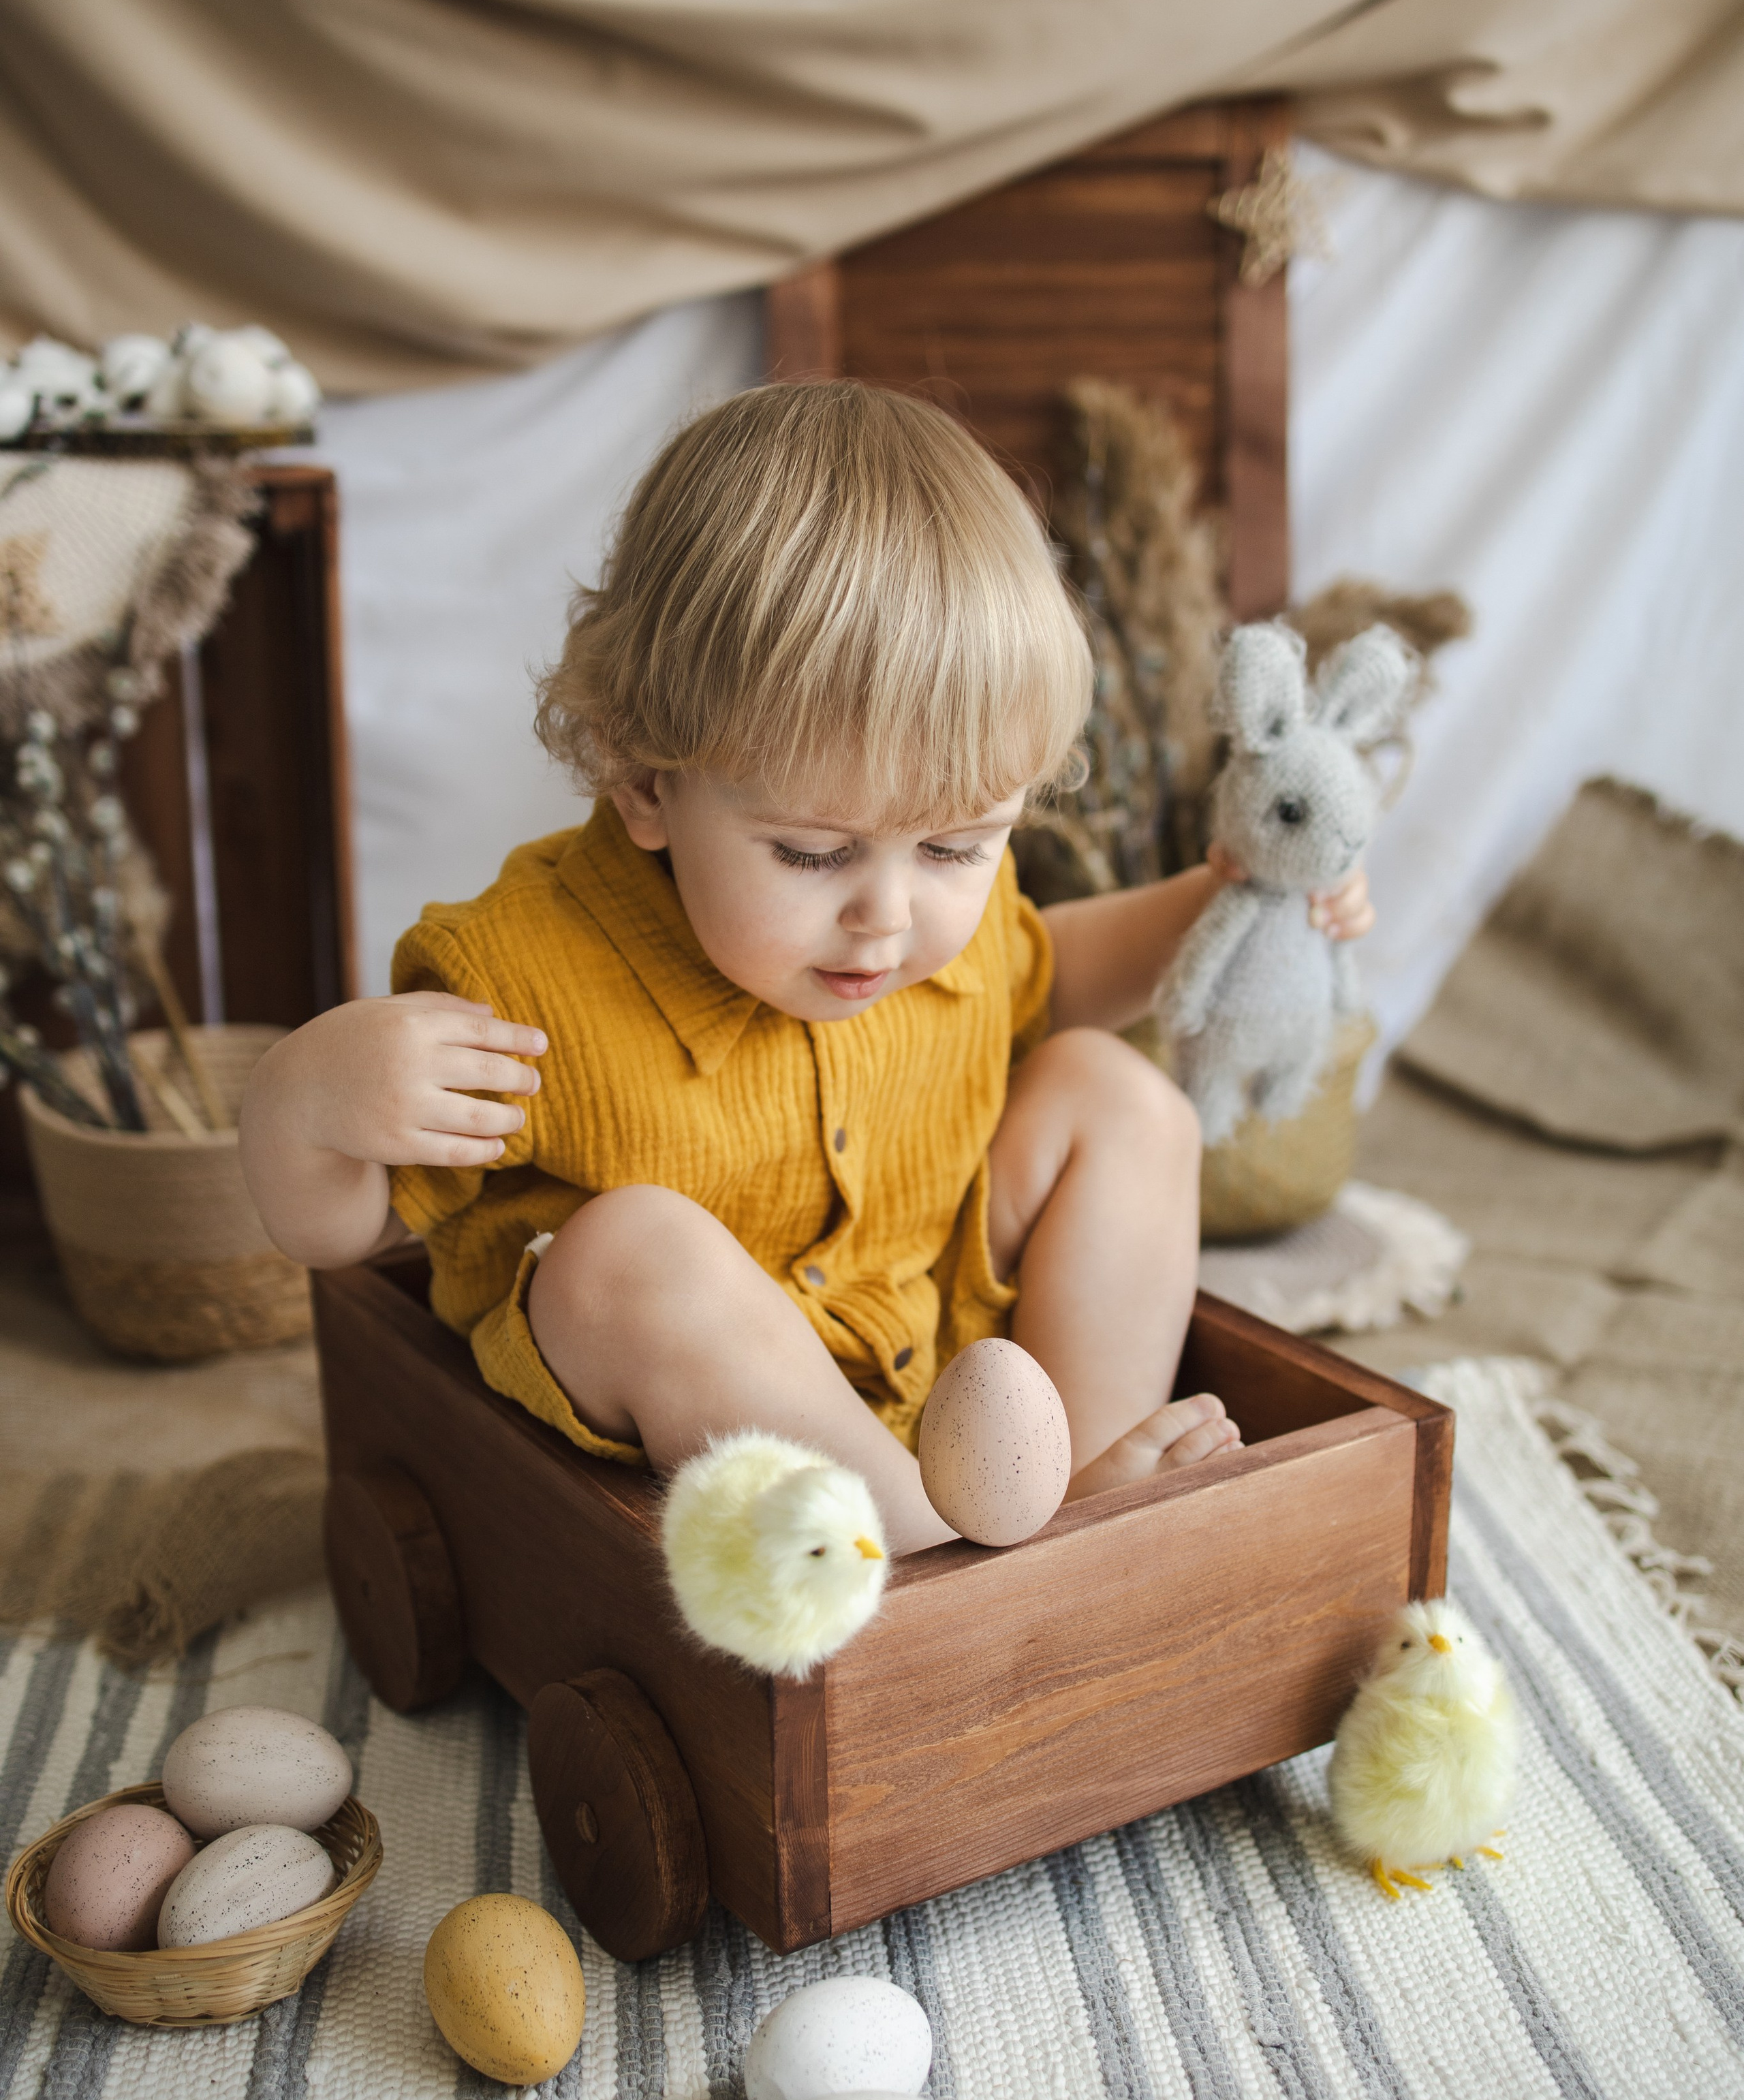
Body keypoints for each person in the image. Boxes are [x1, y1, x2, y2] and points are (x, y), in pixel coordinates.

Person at [241, 382, 1371, 1553]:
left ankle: (1074, 1501)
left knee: (1116, 1090)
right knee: (632, 1250)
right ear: (644, 782)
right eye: (812, 853)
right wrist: (308, 1103)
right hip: (704, 1418)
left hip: (931, 1341)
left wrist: (1231, 894)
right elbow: (340, 1236)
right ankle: (929, 1561)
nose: (886, 917)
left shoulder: (930, 918)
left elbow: (1050, 971)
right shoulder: (519, 981)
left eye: (954, 846)